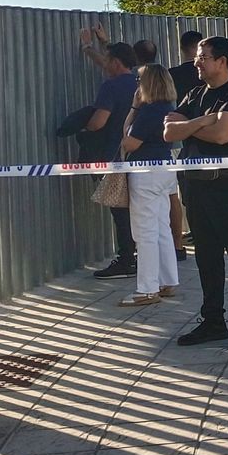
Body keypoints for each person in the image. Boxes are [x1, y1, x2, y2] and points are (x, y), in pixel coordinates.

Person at [163, 36, 228, 352]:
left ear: (222, 61)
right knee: (207, 257)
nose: (196, 62)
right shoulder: (195, 94)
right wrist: (205, 120)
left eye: (203, 57)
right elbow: (169, 130)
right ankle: (213, 321)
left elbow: (224, 135)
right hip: (196, 186)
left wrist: (192, 127)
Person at [118, 65, 180, 307]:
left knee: (144, 231)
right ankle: (167, 280)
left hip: (145, 172)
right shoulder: (167, 108)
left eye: (138, 80)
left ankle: (146, 288)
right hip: (164, 169)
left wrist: (133, 108)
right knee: (161, 227)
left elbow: (129, 143)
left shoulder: (148, 111)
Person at [87, 42, 140, 279]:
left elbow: (98, 122)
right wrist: (93, 46)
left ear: (116, 63)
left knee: (120, 210)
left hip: (115, 156)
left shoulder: (110, 87)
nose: (105, 65)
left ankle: (126, 259)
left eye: (107, 61)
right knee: (142, 209)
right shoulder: (142, 83)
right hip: (143, 156)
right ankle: (142, 257)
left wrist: (83, 125)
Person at [166, 30, 203, 255]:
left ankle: (194, 231)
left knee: (185, 187)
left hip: (181, 137)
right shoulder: (210, 76)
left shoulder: (172, 75)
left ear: (181, 48)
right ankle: (202, 230)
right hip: (208, 132)